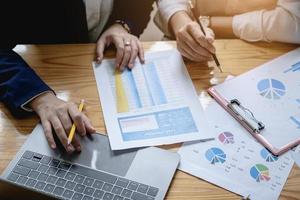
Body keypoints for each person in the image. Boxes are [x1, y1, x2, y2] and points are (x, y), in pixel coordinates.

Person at [0, 0, 153, 153]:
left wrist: (122, 25)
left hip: (105, 66)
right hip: (48, 74)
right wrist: (39, 97)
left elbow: (141, 5)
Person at [156, 0, 300, 62]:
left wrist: (211, 23)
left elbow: (294, 21)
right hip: (186, 37)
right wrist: (182, 22)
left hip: (268, 48)